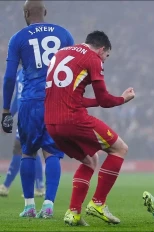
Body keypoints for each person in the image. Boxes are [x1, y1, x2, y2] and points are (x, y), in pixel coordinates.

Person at [44, 30, 135, 226]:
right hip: (73, 120)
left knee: (90, 160)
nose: (105, 60)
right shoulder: (93, 58)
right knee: (120, 148)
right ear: (102, 49)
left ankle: (73, 213)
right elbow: (104, 99)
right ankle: (98, 203)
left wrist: (95, 103)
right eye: (107, 56)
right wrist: (122, 99)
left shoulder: (61, 53)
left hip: (51, 123)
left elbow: (72, 97)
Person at [1, 0, 74, 218]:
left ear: (25, 13)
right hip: (56, 101)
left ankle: (29, 206)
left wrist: (5, 109)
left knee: (28, 152)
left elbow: (10, 77)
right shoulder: (64, 34)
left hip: (30, 101)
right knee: (52, 153)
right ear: (45, 12)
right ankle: (49, 204)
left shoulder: (18, 38)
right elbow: (72, 70)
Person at [0, 68, 45, 198]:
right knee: (21, 149)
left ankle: (39, 186)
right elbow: (17, 98)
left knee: (26, 148)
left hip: (32, 115)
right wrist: (8, 118)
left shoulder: (36, 70)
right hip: (23, 117)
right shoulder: (20, 72)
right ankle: (7, 186)